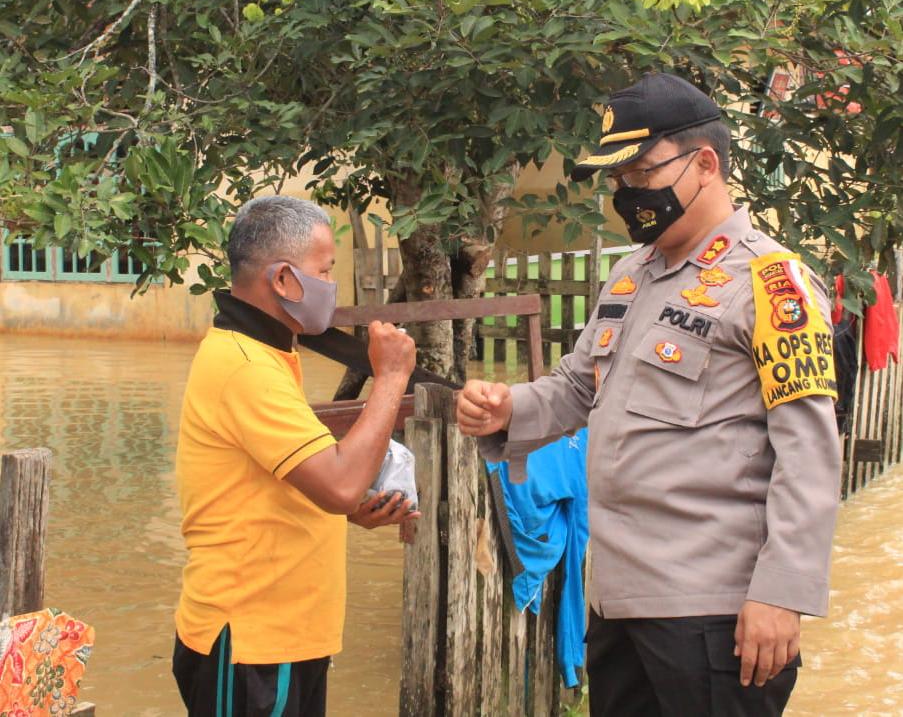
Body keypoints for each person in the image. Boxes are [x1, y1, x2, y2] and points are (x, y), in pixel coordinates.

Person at [457, 73, 841, 716]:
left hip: (713, 608)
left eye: (641, 173)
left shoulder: (772, 284)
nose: (627, 194)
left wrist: (781, 593)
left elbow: (809, 454)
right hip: (617, 599)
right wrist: (508, 408)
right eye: (618, 180)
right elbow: (578, 385)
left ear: (706, 164)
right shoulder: (630, 275)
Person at [172, 195, 417, 716]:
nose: (331, 283)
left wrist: (350, 510)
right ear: (284, 279)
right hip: (252, 638)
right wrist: (392, 377)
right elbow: (340, 484)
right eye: (325, 270)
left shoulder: (265, 353)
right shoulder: (247, 368)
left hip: (284, 635)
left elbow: (278, 481)